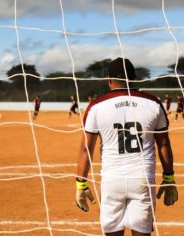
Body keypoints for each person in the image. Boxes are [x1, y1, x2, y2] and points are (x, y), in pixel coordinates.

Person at [76, 57, 178, 236]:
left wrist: (80, 184)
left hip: (111, 180)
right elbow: (164, 144)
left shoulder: (96, 107)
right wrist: (169, 179)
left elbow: (86, 149)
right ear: (133, 79)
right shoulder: (153, 103)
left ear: (109, 81)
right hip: (142, 179)